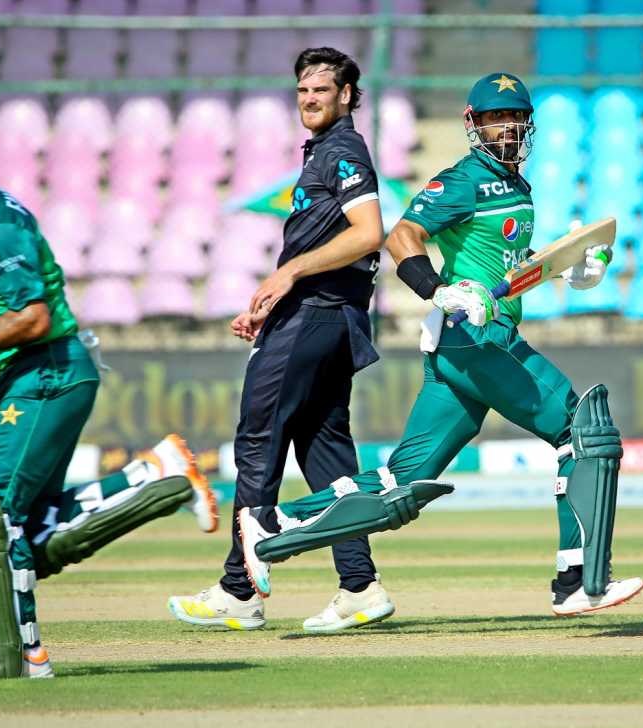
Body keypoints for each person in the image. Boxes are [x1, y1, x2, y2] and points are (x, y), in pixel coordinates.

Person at [236, 72, 643, 618]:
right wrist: (440, 290)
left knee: (401, 482)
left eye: (515, 118)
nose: (507, 129)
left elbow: (507, 269)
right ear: (472, 125)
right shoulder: (462, 180)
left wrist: (570, 271)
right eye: (495, 119)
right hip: (476, 339)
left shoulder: (518, 187)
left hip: (473, 342)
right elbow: (401, 236)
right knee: (582, 431)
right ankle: (579, 579)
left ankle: (272, 525)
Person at [0, 104, 218, 680]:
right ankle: (156, 477)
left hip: (47, 372)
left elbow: (33, 317)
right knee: (35, 536)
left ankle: (12, 657)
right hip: (40, 374)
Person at [168, 47, 395, 633]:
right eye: (302, 90)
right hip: (325, 318)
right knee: (326, 454)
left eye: (322, 89)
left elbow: (370, 234)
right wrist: (276, 302)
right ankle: (360, 586)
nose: (310, 99)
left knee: (258, 438)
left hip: (317, 315)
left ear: (347, 94)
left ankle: (239, 590)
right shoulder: (325, 152)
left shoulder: (343, 150)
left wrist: (290, 275)